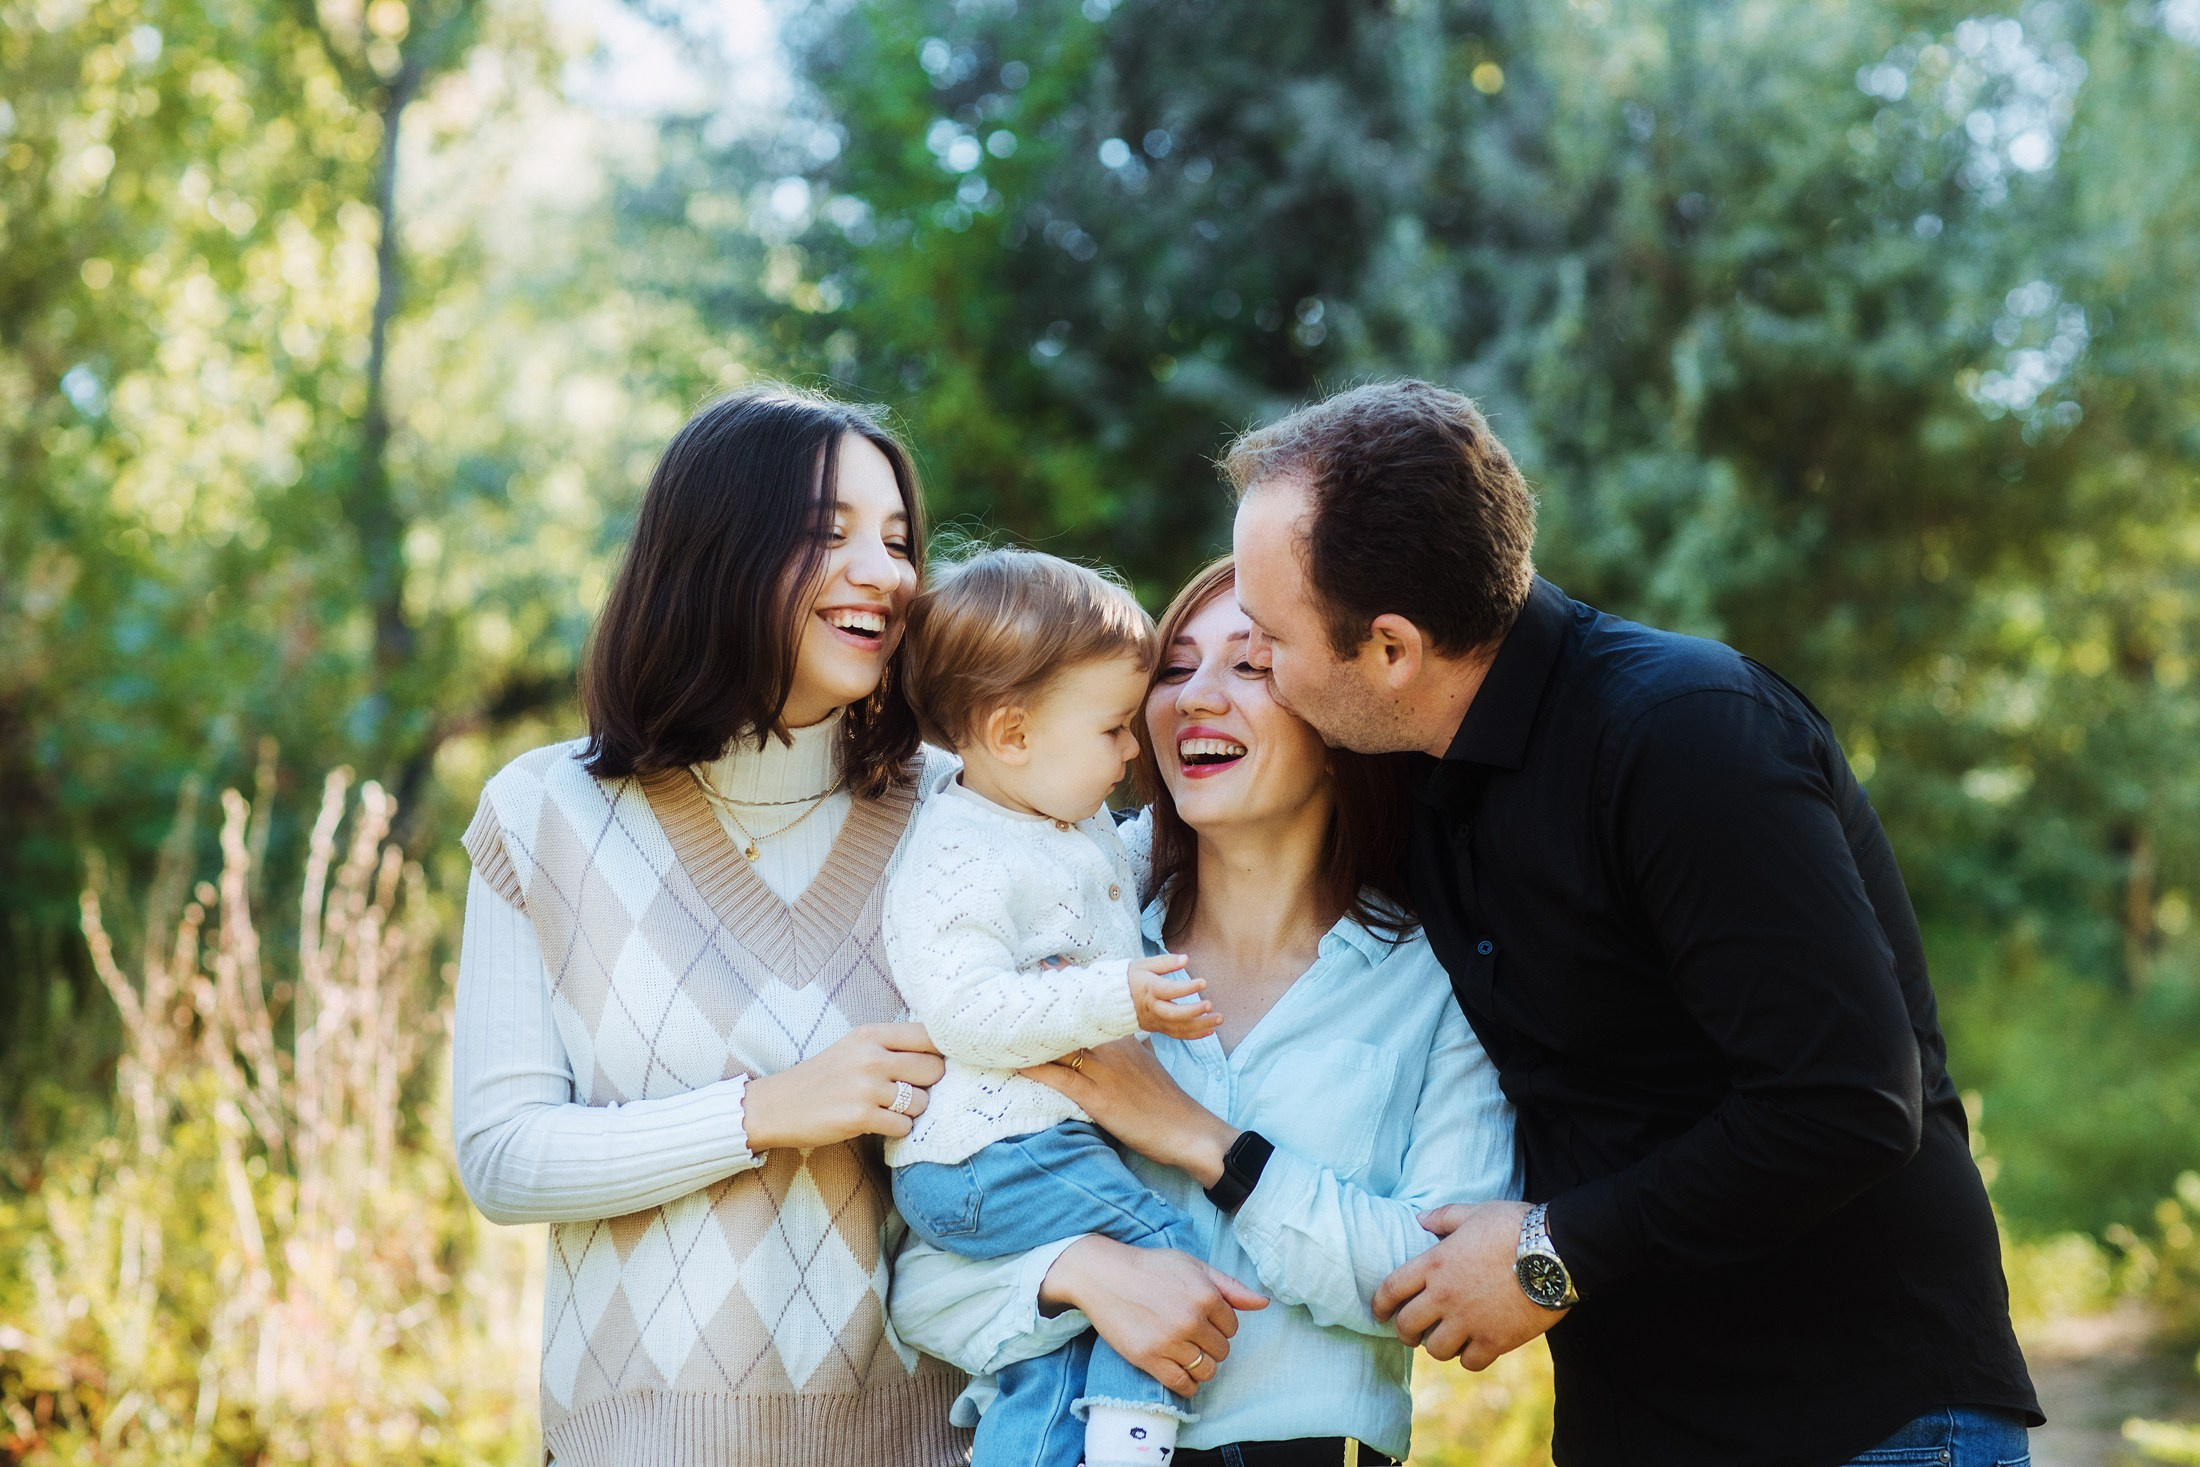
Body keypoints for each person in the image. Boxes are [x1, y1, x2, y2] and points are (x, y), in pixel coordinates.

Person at [1226, 379, 2042, 1465]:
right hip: (1640, 1420)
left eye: (1268, 638)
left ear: (1390, 648)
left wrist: (1544, 1257)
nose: (1261, 671)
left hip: (1862, 1416)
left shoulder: (1685, 737)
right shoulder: (1413, 779)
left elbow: (1844, 1101)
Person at [451, 386, 1030, 1467]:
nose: (888, 574)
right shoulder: (545, 816)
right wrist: (764, 1110)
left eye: (898, 542)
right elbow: (503, 1156)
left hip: (933, 1447)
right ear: (714, 552)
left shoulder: (967, 813)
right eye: (829, 534)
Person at [891, 556, 1519, 1467]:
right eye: (1173, 669)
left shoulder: (1432, 975)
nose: (1195, 699)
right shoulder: (1059, 939)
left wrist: (1202, 1140)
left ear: (1341, 704)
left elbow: (1432, 1276)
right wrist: (1084, 1274)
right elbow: (923, 1272)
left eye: (1252, 666)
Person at [883, 547, 1232, 1467]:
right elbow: (964, 1011)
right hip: (986, 1154)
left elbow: (1115, 866)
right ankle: (1131, 1443)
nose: (1133, 749)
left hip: (1030, 1151)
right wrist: (1120, 994)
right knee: (1159, 1249)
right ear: (1012, 734)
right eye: (1115, 727)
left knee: (1066, 1336)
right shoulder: (959, 852)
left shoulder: (1062, 821)